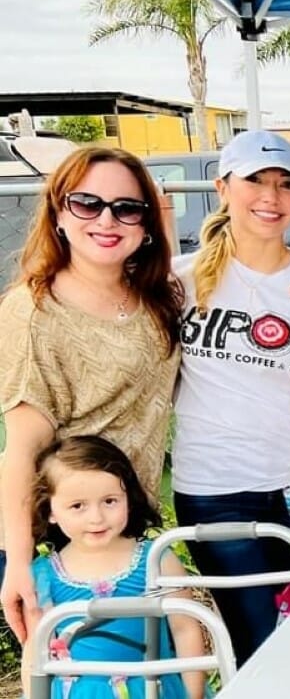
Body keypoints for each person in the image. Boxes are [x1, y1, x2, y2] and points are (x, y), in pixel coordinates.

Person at [171, 130, 290, 664]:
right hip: (213, 490)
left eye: (286, 185)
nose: (271, 198)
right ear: (223, 187)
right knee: (257, 643)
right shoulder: (179, 281)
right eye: (255, 181)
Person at [0, 147, 181, 642]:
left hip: (126, 524)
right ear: (60, 213)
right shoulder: (32, 310)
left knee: (146, 671)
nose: (107, 219)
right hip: (60, 540)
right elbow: (20, 451)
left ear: (146, 223)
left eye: (126, 207)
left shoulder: (158, 299)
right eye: (87, 203)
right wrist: (17, 564)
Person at [21, 436, 205, 699]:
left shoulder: (156, 560)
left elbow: (185, 628)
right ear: (50, 510)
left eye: (109, 501)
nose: (96, 517)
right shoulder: (44, 575)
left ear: (128, 497)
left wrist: (193, 694)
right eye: (77, 506)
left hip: (154, 689)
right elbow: (34, 650)